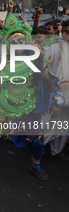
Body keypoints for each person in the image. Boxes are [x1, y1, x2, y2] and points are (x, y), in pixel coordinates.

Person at [0, 13, 51, 181]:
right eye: (13, 41)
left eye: (20, 41)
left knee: (36, 138)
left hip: (27, 106)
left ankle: (36, 165)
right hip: (3, 104)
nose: (17, 44)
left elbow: (48, 82)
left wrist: (55, 99)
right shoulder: (2, 62)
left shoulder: (37, 61)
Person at [42, 20, 69, 160]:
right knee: (49, 124)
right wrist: (54, 98)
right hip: (53, 94)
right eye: (64, 31)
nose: (65, 35)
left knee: (64, 125)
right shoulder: (53, 49)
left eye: (68, 32)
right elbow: (43, 71)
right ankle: (36, 157)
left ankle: (56, 151)